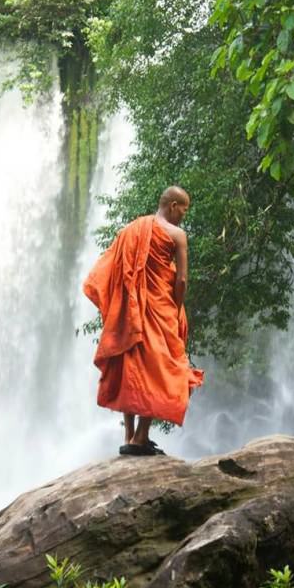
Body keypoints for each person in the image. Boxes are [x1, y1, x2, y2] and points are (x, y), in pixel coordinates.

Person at [83, 186, 204, 456]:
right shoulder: (176, 235)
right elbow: (181, 279)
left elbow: (111, 269)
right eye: (184, 209)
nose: (185, 214)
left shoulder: (131, 229)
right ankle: (140, 437)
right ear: (173, 205)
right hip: (160, 309)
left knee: (132, 368)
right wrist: (176, 305)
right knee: (160, 369)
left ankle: (130, 436)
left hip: (132, 312)